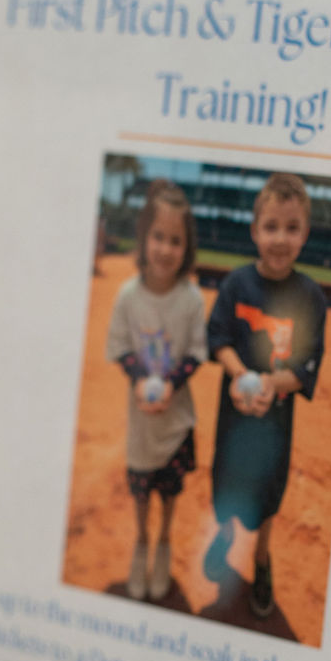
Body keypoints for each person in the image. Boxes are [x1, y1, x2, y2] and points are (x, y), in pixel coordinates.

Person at [205, 172, 326, 618]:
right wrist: (240, 377)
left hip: (274, 426)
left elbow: (308, 364)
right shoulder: (236, 285)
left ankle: (260, 558)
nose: (280, 238)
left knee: (268, 493)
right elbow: (218, 338)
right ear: (255, 231)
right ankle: (224, 535)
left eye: (292, 228)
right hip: (233, 416)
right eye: (271, 226)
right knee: (226, 481)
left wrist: (272, 385)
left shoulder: (310, 297)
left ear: (305, 234)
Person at [106, 180, 206, 601]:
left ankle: (163, 540)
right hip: (142, 424)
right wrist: (137, 379)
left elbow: (197, 353)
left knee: (169, 490)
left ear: (187, 247)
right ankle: (142, 541)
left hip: (175, 419)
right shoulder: (128, 296)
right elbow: (120, 348)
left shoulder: (191, 299)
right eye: (158, 236)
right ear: (144, 236)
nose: (166, 248)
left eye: (176, 240)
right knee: (141, 489)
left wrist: (170, 384)